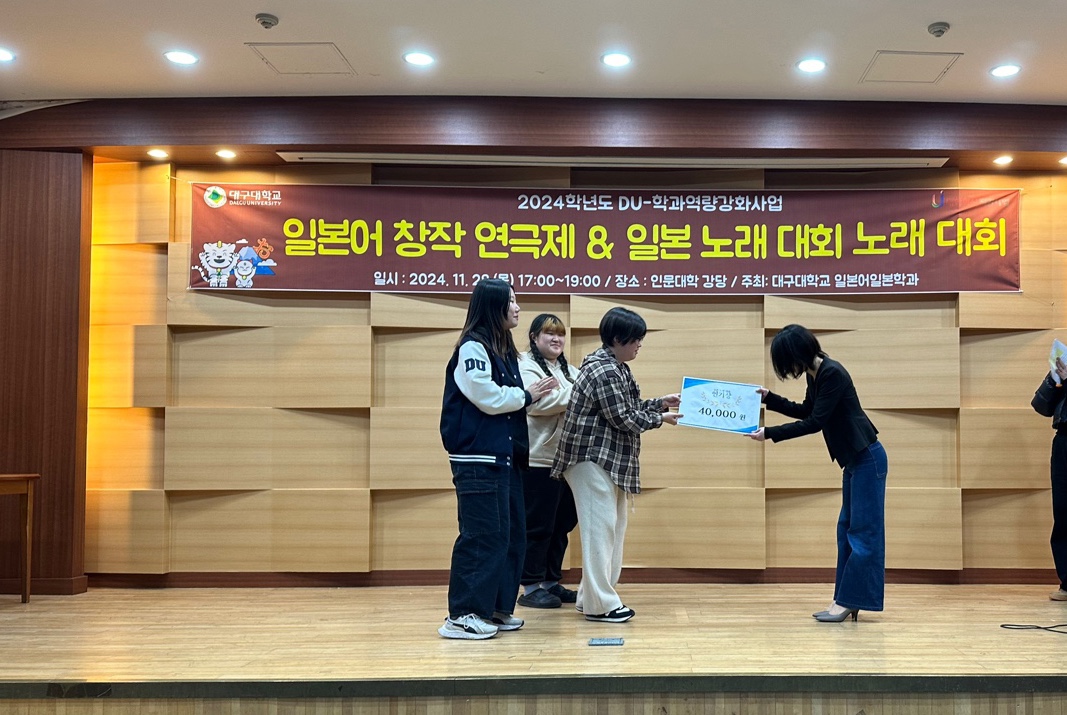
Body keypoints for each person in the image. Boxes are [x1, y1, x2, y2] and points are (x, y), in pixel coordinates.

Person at [438, 278, 558, 640]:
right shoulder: (473, 348)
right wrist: (527, 394)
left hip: (505, 458)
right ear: (494, 306)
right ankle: (462, 615)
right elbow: (487, 397)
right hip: (478, 459)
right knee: (482, 536)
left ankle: (494, 608)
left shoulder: (503, 349)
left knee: (511, 535)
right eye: (512, 301)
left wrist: (528, 395)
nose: (518, 308)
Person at [748, 324, 887, 623]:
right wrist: (769, 398)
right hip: (854, 461)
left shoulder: (832, 373)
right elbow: (805, 411)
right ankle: (845, 598)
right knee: (846, 530)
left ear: (798, 354)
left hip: (867, 459)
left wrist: (769, 433)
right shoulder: (817, 373)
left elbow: (815, 422)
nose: (788, 369)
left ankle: (848, 601)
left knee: (862, 534)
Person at [550, 307, 681, 623]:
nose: (639, 345)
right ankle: (601, 605)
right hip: (590, 459)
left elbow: (628, 407)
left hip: (603, 461)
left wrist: (659, 404)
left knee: (609, 530)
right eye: (636, 340)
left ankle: (591, 597)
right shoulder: (605, 371)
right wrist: (660, 418)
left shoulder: (614, 366)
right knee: (601, 532)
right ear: (619, 339)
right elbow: (623, 418)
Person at [517, 313, 579, 609]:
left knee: (561, 525)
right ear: (534, 337)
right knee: (538, 526)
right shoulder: (524, 365)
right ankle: (530, 587)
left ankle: (550, 582)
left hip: (568, 460)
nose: (557, 339)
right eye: (549, 334)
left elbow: (571, 398)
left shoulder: (569, 370)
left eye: (561, 334)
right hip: (538, 459)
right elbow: (537, 404)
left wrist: (568, 393)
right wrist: (577, 394)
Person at [1030, 356, 1067, 601]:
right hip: (1064, 440)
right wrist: (1055, 378)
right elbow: (1041, 406)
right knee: (1063, 512)